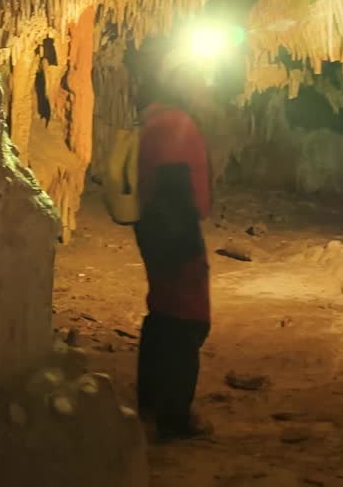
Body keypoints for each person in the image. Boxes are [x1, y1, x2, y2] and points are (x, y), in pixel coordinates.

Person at [133, 51, 213, 442]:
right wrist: (184, 240)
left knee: (163, 312)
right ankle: (174, 415)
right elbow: (175, 183)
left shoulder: (153, 120)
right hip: (174, 228)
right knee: (188, 320)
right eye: (198, 82)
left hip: (155, 226)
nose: (205, 89)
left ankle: (150, 402)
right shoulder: (175, 124)